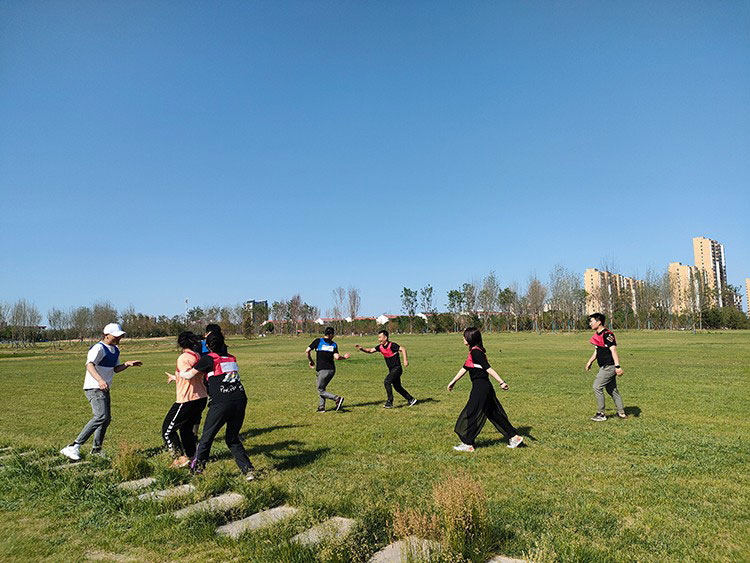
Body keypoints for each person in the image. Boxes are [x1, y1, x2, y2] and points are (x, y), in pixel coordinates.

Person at [170, 332, 255, 480]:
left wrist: (178, 374)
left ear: (208, 346)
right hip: (240, 400)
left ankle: (197, 472)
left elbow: (188, 375)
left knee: (206, 439)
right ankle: (248, 471)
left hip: (221, 403)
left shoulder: (208, 359)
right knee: (232, 438)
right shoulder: (231, 358)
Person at [60, 323, 142, 461]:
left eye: (120, 336)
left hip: (104, 388)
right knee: (101, 416)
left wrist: (127, 364)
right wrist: (99, 380)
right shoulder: (98, 348)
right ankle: (73, 446)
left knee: (105, 419)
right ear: (106, 335)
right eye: (116, 336)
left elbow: (115, 369)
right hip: (94, 387)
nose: (119, 338)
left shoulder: (115, 350)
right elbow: (89, 365)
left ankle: (96, 450)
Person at [447, 327, 523, 452]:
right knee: (494, 414)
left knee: (471, 413)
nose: (463, 339)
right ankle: (514, 437)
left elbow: (488, 368)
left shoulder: (476, 353)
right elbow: (465, 367)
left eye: (464, 337)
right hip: (484, 388)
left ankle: (468, 444)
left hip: (481, 388)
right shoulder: (475, 352)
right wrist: (453, 381)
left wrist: (501, 382)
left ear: (470, 338)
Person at [162, 332, 208, 468]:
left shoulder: (183, 358)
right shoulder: (197, 356)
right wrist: (175, 377)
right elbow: (193, 375)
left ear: (180, 343)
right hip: (201, 398)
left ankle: (179, 458)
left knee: (167, 430)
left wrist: (180, 375)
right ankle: (192, 458)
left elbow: (187, 375)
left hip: (187, 399)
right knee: (186, 430)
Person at [355, 330, 417, 408]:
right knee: (397, 387)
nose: (379, 339)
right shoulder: (380, 347)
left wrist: (405, 360)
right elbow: (370, 350)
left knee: (387, 382)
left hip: (397, 369)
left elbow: (403, 349)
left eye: (380, 337)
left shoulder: (392, 345)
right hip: (391, 370)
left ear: (385, 337)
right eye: (378, 337)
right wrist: (362, 349)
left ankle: (389, 402)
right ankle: (411, 399)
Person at [585, 313, 626, 421]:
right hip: (604, 366)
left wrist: (617, 367)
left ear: (599, 322)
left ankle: (601, 414)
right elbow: (597, 351)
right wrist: (590, 362)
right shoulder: (597, 335)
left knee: (597, 387)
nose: (590, 323)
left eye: (591, 321)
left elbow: (613, 351)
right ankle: (621, 413)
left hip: (609, 366)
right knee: (612, 390)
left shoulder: (607, 334)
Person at [305, 327, 350, 413]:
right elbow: (337, 357)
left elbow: (307, 351)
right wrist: (344, 357)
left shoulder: (318, 341)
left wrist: (310, 361)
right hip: (331, 370)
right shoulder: (334, 344)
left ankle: (337, 398)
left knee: (320, 390)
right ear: (331, 335)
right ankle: (321, 407)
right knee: (322, 388)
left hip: (322, 370)